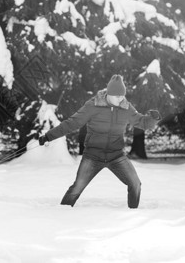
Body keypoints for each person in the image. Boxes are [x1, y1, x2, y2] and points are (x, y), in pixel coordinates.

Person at [38, 74, 161, 208]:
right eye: (118, 96)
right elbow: (72, 123)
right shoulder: (93, 105)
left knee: (135, 184)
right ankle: (63, 211)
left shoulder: (126, 107)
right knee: (77, 188)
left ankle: (133, 211)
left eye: (122, 95)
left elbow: (141, 122)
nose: (121, 98)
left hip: (116, 155)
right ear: (109, 93)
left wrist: (153, 119)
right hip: (93, 155)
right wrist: (49, 136)